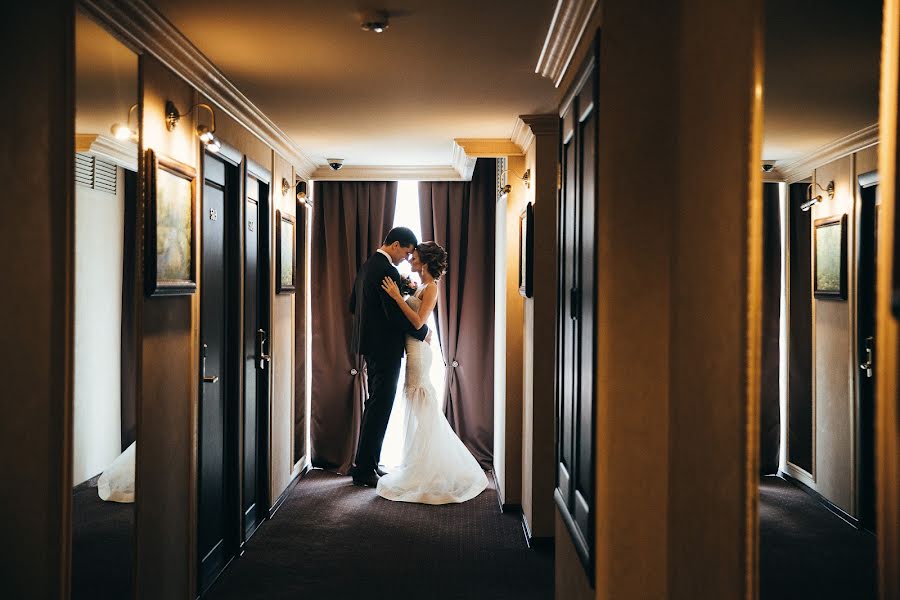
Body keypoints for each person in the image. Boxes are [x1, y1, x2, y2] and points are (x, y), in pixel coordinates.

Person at [375, 241, 488, 504]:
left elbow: (417, 322)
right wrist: (404, 296)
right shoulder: (423, 286)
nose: (410, 260)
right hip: (414, 347)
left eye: (413, 257)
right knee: (419, 408)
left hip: (418, 353)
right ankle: (421, 463)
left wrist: (396, 298)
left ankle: (431, 468)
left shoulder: (432, 288)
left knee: (422, 405)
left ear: (424, 261)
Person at [348, 227, 429, 487]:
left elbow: (353, 305)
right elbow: (395, 315)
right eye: (406, 252)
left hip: (370, 345)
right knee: (380, 406)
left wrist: (403, 290)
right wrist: (423, 331)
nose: (406, 258)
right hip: (384, 348)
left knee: (375, 404)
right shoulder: (386, 270)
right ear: (395, 245)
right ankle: (364, 469)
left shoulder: (367, 266)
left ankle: (366, 463)